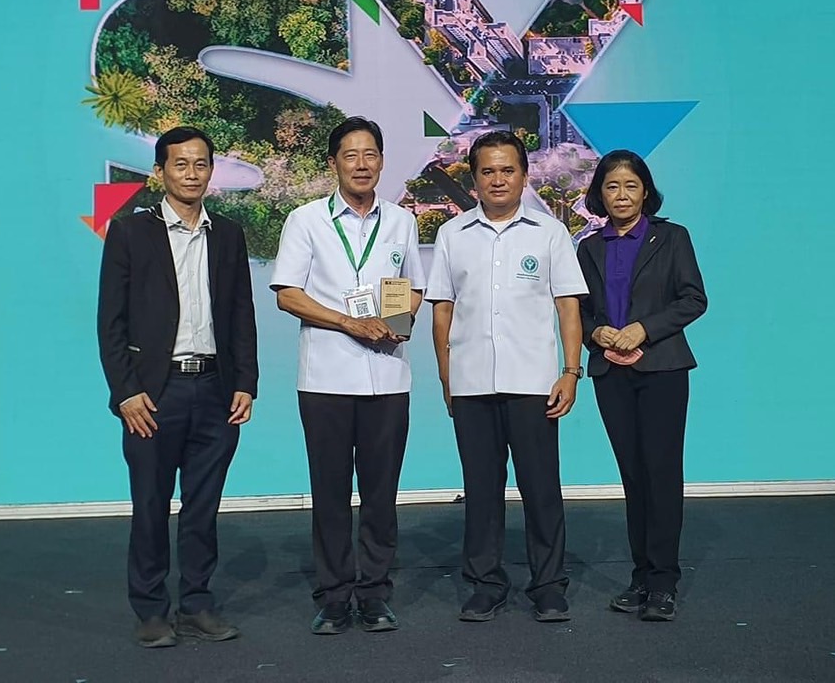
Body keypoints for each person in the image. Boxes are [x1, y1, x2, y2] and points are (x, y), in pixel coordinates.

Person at [96, 126, 258, 649]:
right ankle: (150, 609)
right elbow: (110, 321)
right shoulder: (129, 232)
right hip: (153, 394)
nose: (192, 174)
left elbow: (241, 314)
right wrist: (125, 391)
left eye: (201, 164)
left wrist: (246, 382)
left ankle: (197, 603)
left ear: (212, 170)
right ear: (159, 172)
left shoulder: (227, 234)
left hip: (214, 389)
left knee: (202, 508)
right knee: (150, 505)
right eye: (180, 164)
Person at [270, 117, 425, 635]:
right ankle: (334, 597)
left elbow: (412, 287)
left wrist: (397, 323)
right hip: (326, 379)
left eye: (370, 154)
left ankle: (375, 594)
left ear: (382, 160)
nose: (361, 164)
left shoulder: (402, 221)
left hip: (388, 377)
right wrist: (348, 322)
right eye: (350, 155)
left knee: (382, 494)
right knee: (330, 493)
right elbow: (288, 294)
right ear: (333, 162)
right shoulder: (306, 220)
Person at [426, 129, 588, 624]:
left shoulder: (549, 232)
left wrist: (571, 371)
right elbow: (441, 311)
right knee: (480, 490)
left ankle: (548, 585)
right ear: (473, 179)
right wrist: (447, 379)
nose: (498, 179)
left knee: (542, 490)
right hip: (471, 384)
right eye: (488, 171)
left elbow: (568, 307)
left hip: (533, 383)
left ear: (524, 174)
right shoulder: (453, 234)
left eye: (507, 170)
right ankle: (486, 583)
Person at [575, 149, 707, 622]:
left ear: (646, 191)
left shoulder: (672, 238)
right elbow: (578, 310)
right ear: (599, 194)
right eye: (612, 186)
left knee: (661, 473)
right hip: (611, 372)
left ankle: (664, 582)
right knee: (633, 475)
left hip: (662, 370)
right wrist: (595, 333)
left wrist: (643, 329)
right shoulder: (588, 247)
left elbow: (693, 299)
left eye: (631, 186)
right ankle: (641, 576)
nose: (622, 195)